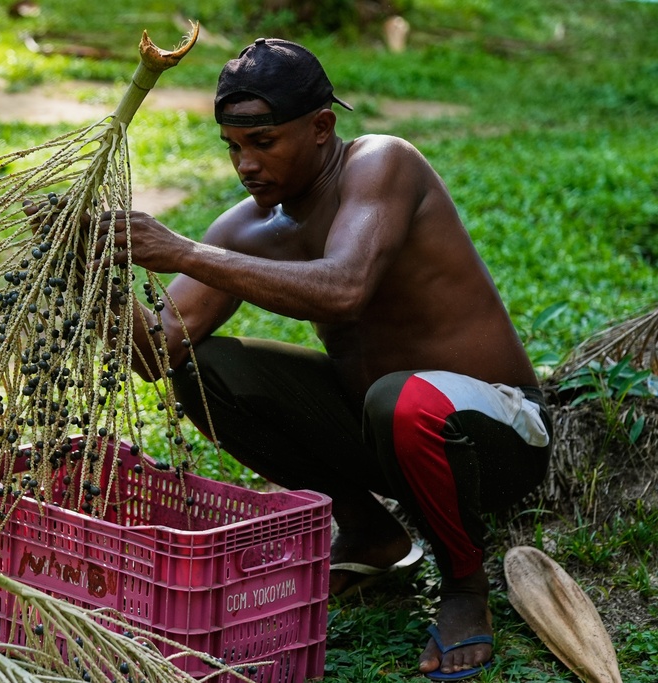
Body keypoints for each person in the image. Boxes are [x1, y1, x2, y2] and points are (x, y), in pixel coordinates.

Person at [96, 38, 553, 680]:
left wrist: (183, 252)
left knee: (400, 398)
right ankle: (372, 534)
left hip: (495, 436)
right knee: (206, 366)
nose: (244, 165)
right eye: (232, 146)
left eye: (263, 143)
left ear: (321, 128)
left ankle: (465, 590)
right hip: (384, 433)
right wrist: (90, 279)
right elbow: (156, 352)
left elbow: (344, 289)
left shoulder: (383, 163)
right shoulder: (249, 229)